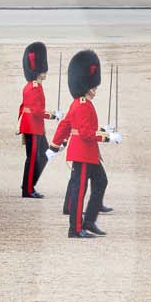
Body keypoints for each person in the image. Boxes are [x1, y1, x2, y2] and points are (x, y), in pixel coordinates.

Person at [51, 49, 116, 238]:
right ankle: (75, 228)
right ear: (86, 86)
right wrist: (107, 137)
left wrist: (54, 145)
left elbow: (66, 125)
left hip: (88, 152)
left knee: (100, 182)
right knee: (80, 191)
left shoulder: (80, 104)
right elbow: (86, 134)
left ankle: (89, 222)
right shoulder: (81, 104)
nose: (95, 91)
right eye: (93, 88)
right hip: (82, 153)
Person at [18, 42, 54, 198]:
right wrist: (52, 115)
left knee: (44, 155)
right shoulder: (33, 87)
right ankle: (27, 189)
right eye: (43, 71)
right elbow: (36, 111)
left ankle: (28, 184)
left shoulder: (34, 85)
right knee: (32, 159)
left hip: (34, 126)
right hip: (32, 127)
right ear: (39, 72)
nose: (45, 73)